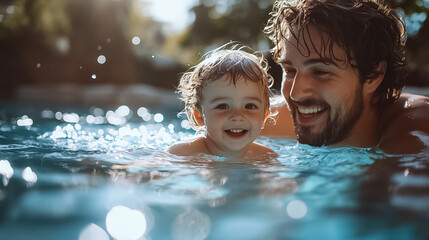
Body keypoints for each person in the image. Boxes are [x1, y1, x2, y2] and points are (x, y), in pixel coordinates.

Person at [261, 0, 429, 154]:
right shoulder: (265, 119)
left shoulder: (416, 127)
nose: (295, 94)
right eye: (290, 70)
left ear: (373, 75)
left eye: (320, 72)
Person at [167, 45, 277, 158]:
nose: (238, 116)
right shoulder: (184, 153)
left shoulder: (265, 157)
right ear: (199, 116)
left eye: (250, 106)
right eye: (223, 106)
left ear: (264, 117)